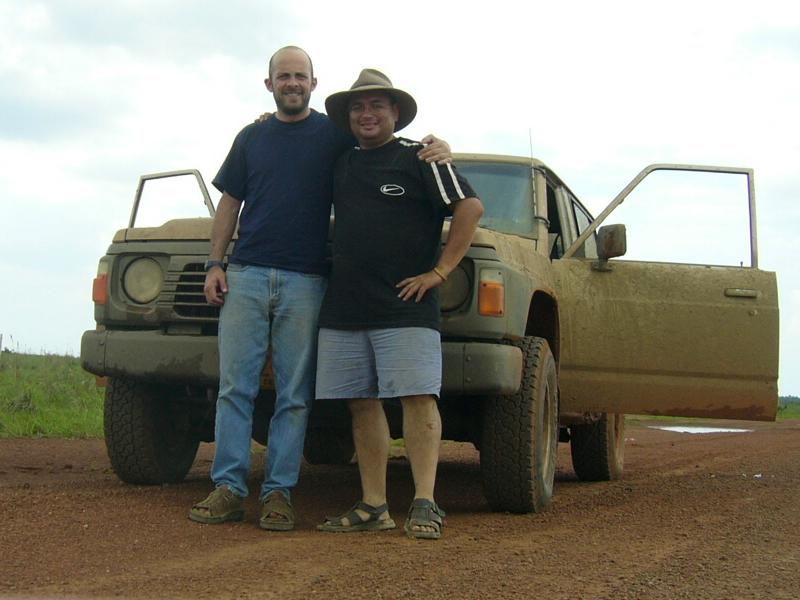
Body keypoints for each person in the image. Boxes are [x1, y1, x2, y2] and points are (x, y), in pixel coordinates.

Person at [189, 48, 451, 530]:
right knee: (234, 388)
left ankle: (279, 493)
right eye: (283, 77)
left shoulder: (335, 136)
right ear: (269, 84)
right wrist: (214, 263)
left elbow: (381, 139)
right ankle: (227, 486)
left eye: (300, 76)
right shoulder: (251, 136)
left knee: (294, 394)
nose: (292, 83)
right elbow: (230, 201)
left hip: (308, 279)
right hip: (245, 273)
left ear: (313, 83)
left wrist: (437, 149)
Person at [315, 69, 484, 539]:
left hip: (406, 305)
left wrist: (440, 272)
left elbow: (469, 207)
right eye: (358, 107)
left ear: (395, 114)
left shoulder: (422, 158)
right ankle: (374, 505)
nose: (366, 115)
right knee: (361, 404)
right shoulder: (341, 161)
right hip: (345, 306)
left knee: (417, 397)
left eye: (377, 106)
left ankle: (425, 502)